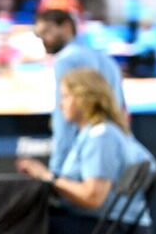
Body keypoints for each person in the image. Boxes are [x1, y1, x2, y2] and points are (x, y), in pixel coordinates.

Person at [16, 68, 156, 234]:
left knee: (26, 227)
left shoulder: (101, 137)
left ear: (85, 98)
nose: (60, 105)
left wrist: (48, 177)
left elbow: (93, 198)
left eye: (66, 96)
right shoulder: (94, 134)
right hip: (107, 230)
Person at [34, 9, 125, 174]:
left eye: (47, 32)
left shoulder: (66, 61)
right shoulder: (107, 60)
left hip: (85, 160)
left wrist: (56, 171)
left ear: (67, 27)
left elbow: (64, 121)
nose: (44, 41)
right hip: (115, 152)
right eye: (40, 36)